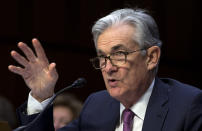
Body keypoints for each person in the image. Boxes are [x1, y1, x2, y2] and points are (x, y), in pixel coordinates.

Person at [8, 8, 202, 131]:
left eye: (119, 54)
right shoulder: (97, 105)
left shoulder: (188, 106)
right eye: (102, 57)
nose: (108, 67)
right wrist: (42, 97)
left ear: (151, 57)